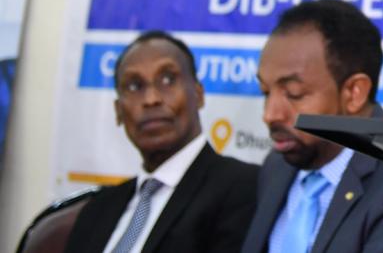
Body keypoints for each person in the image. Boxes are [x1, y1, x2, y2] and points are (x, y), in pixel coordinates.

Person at [241, 0, 383, 253]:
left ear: (354, 92)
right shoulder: (277, 165)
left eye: (294, 93)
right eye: (265, 92)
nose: (270, 114)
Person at [64, 31, 257, 253]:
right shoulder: (97, 210)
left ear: (198, 94)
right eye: (135, 86)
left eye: (167, 80)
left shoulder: (243, 187)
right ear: (118, 111)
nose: (151, 99)